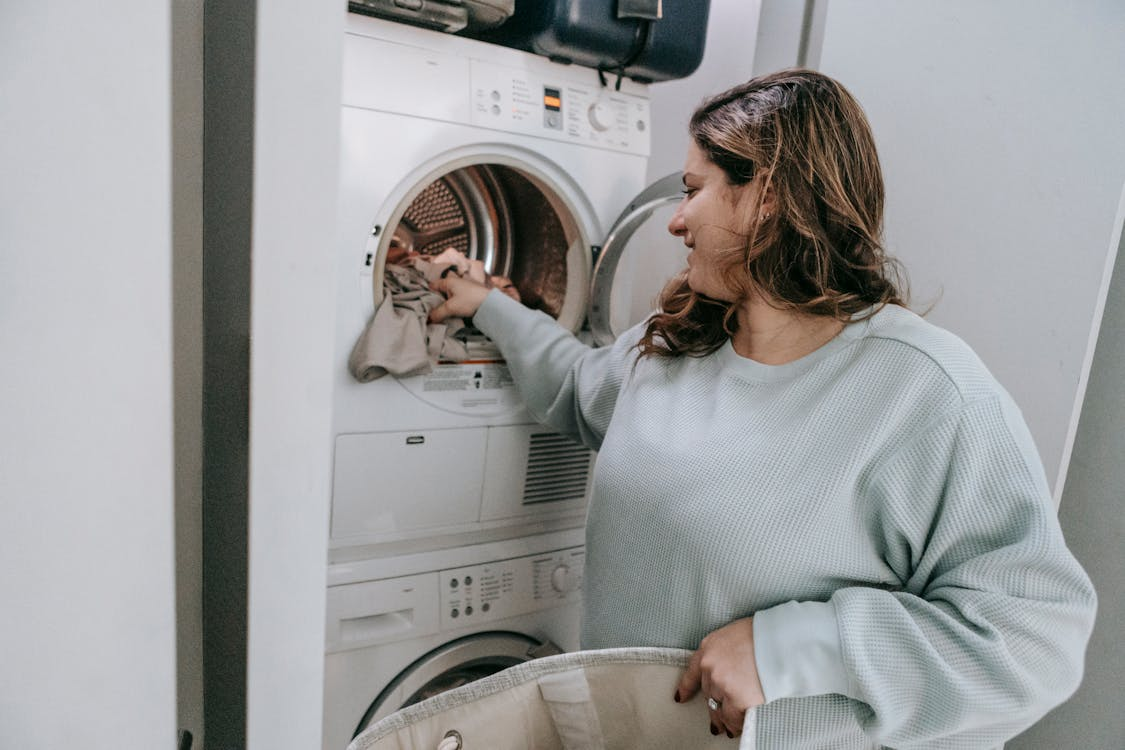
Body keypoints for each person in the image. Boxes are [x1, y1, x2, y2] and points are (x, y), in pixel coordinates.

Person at [427, 69, 1096, 747]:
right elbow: (575, 387)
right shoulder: (677, 344)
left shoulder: (923, 391)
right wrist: (491, 307)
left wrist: (792, 646)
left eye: (693, 191)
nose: (675, 220)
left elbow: (1032, 641)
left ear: (768, 196)